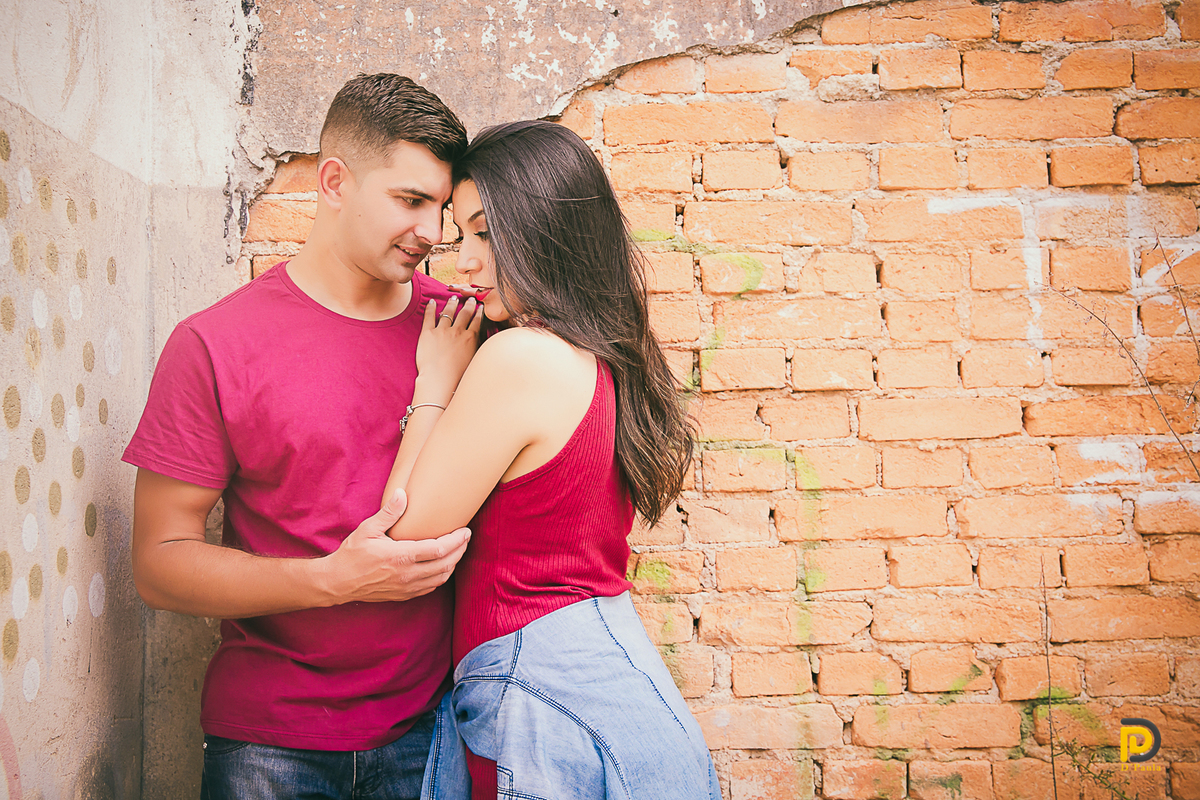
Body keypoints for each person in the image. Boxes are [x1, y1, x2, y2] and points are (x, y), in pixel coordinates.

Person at [122, 74, 473, 799]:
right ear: (335, 182)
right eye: (410, 201)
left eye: (441, 206)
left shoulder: (462, 327)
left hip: (433, 731)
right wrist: (329, 580)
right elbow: (159, 562)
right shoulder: (215, 344)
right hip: (268, 745)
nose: (433, 234)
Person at [379, 120, 721, 800]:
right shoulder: (603, 358)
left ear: (545, 231)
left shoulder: (523, 357)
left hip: (548, 694)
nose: (462, 265)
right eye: (459, 238)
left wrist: (433, 385)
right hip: (595, 684)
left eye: (485, 233)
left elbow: (404, 533)